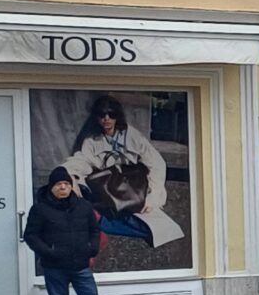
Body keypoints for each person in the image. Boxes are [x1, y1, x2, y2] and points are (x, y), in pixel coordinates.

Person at [67, 94, 183, 252]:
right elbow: (83, 160)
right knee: (101, 218)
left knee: (156, 227)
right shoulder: (92, 141)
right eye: (102, 115)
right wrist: (70, 172)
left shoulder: (132, 136)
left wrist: (152, 197)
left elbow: (156, 163)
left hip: (134, 189)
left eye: (111, 115)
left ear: (117, 116)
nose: (106, 119)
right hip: (109, 191)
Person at [22, 166, 118, 295]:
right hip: (54, 265)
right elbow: (31, 235)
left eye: (67, 184)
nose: (63, 187)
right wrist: (48, 252)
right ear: (52, 187)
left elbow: (94, 230)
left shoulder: (83, 206)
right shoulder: (40, 209)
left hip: (80, 264)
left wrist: (92, 248)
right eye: (59, 184)